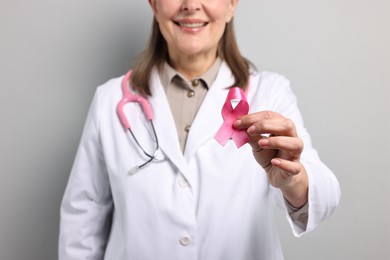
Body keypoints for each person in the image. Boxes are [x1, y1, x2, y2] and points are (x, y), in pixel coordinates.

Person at [59, 0, 341, 259]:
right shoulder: (110, 100)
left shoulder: (270, 92)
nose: (191, 5)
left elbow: (325, 194)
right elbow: (82, 220)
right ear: (154, 5)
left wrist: (294, 180)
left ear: (231, 5)